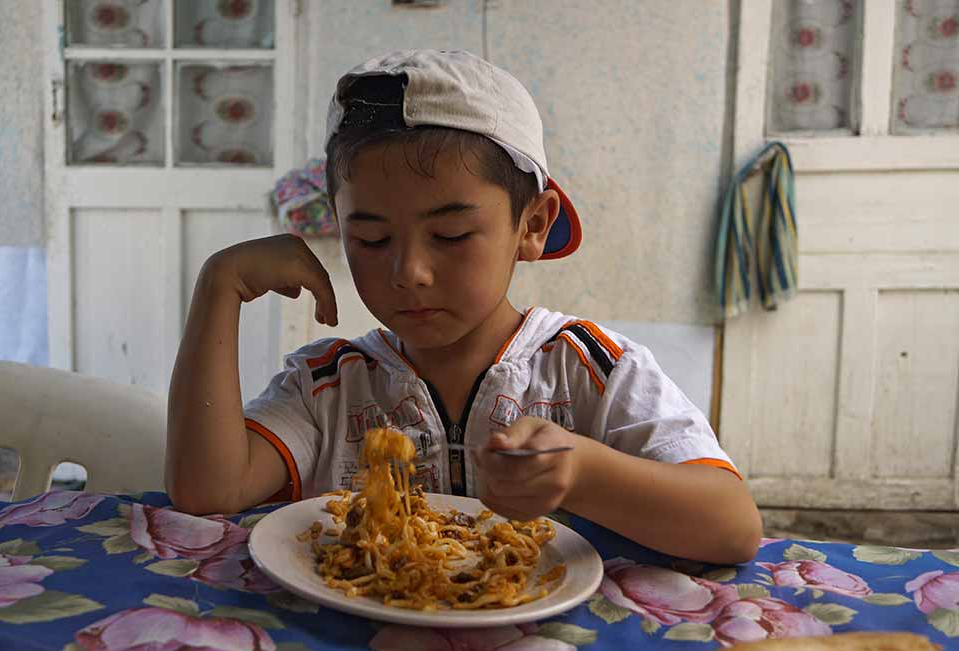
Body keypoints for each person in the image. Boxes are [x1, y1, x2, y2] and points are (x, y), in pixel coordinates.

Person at [166, 49, 762, 565]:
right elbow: (208, 494)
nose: (410, 274)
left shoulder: (590, 369)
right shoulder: (328, 387)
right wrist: (221, 287)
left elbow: (732, 528)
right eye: (371, 240)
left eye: (450, 236)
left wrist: (583, 473)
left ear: (532, 225)